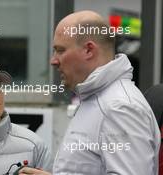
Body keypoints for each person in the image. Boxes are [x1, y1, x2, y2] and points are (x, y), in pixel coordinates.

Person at [19, 10, 160, 175]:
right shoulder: (100, 98)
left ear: (89, 50)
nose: (53, 60)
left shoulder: (119, 107)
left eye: (60, 50)